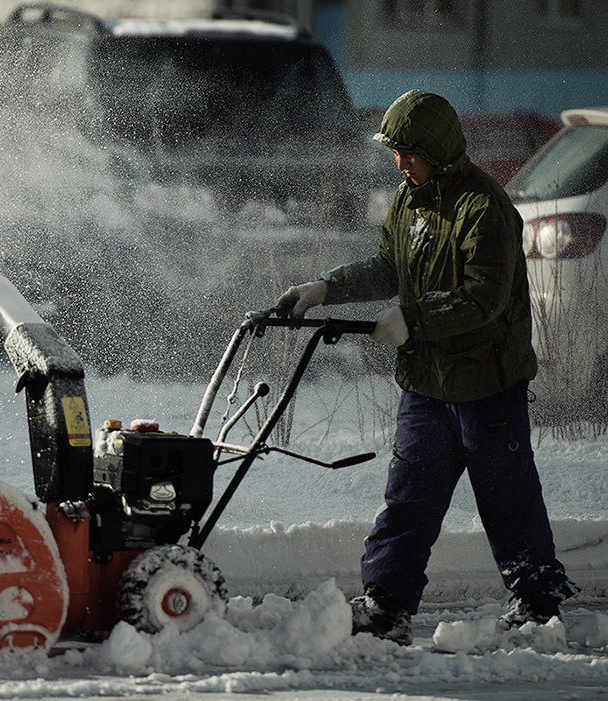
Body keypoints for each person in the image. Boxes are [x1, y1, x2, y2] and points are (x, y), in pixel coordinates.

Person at [277, 90, 578, 646]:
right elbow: (389, 266)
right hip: (426, 384)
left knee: (507, 497)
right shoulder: (407, 199)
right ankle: (386, 602)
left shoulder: (484, 209)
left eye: (409, 152)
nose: (399, 162)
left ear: (437, 150)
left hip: (486, 385)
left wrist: (412, 319)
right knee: (409, 495)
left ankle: (538, 602)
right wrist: (325, 289)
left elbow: (481, 298)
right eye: (395, 152)